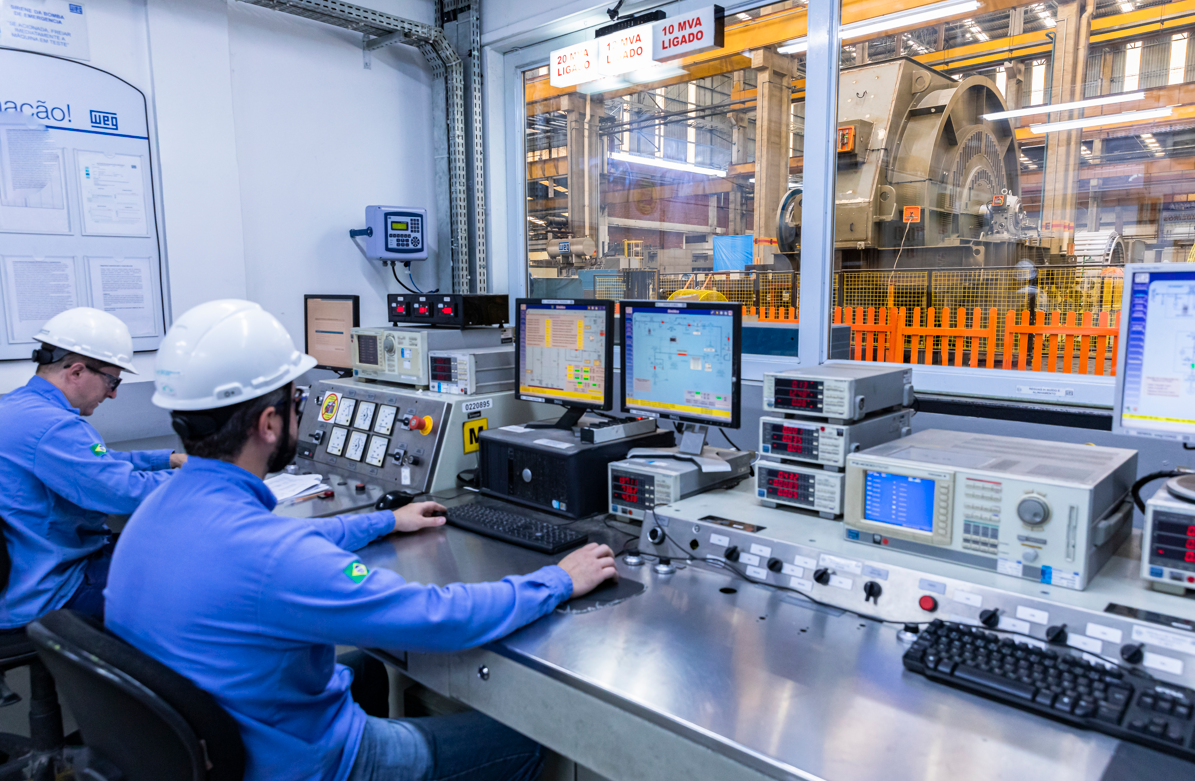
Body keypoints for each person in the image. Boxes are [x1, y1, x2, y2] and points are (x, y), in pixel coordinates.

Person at [105, 299, 618, 781]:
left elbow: (287, 543)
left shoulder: (156, 509)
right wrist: (555, 581)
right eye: (296, 400)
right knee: (528, 740)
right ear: (268, 423)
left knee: (369, 669)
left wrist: (382, 522)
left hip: (215, 744)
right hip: (309, 764)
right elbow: (437, 616)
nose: (301, 411)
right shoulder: (277, 559)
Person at [0, 308, 184, 629]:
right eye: (112, 381)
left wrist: (166, 459)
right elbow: (121, 493)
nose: (113, 393)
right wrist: (207, 480)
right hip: (52, 590)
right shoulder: (54, 427)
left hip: (21, 575)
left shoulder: (19, 407)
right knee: (187, 580)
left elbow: (93, 462)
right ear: (76, 372)